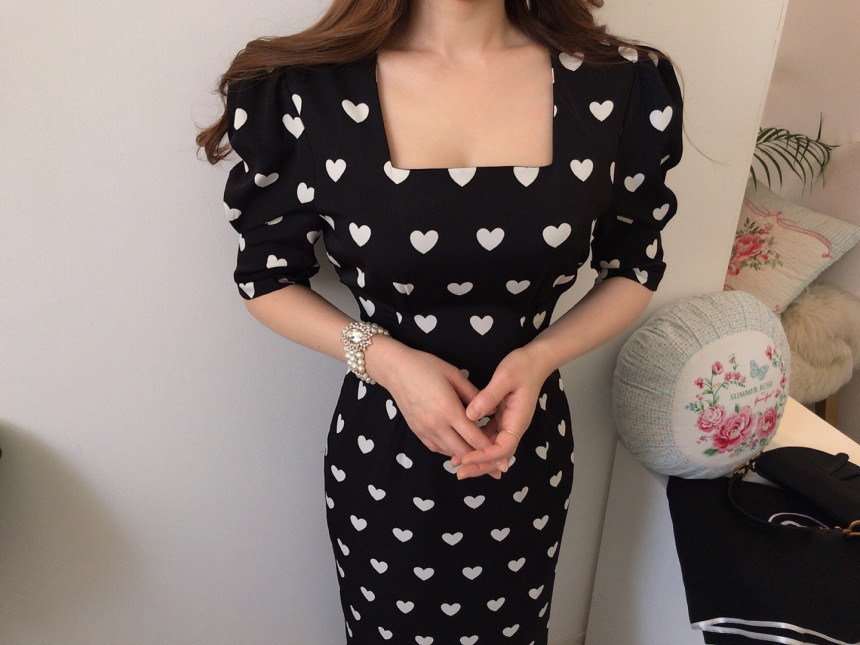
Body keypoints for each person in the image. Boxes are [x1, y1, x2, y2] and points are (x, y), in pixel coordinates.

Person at [197, 0, 682, 642]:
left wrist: (538, 358)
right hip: (383, 457)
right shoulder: (302, 91)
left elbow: (633, 267)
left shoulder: (619, 82)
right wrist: (387, 360)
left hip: (523, 448)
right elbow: (266, 278)